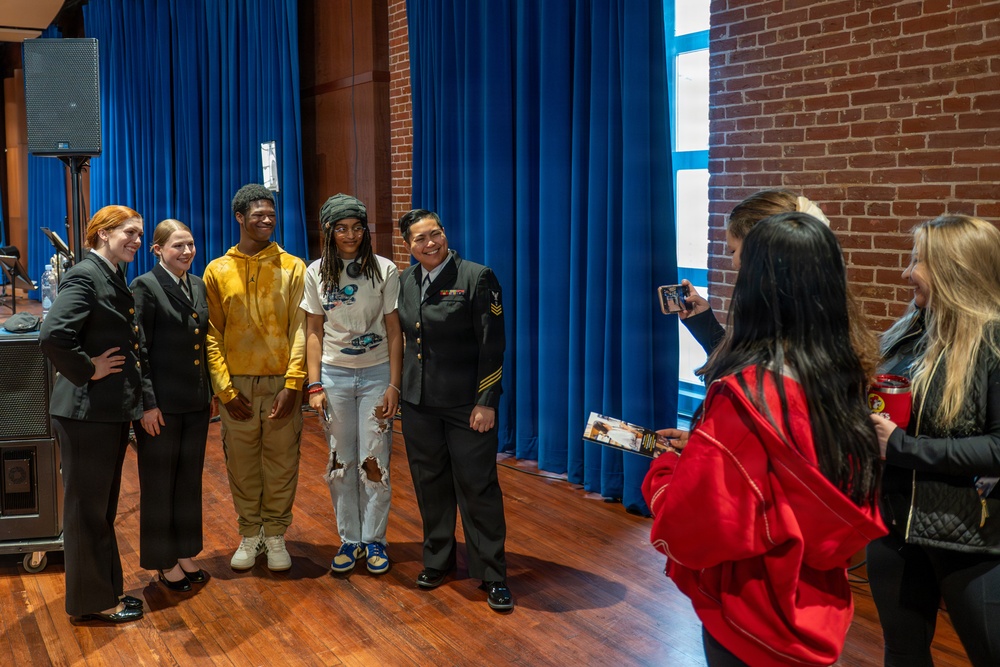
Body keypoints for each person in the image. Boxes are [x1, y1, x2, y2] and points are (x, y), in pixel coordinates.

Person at [642, 212, 886, 666]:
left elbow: (698, 521)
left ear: (758, 283)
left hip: (753, 606)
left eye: (737, 257)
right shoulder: (844, 370)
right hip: (816, 596)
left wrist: (666, 471)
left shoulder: (747, 396)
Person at [867, 214, 1000, 666]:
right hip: (892, 525)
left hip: (968, 537)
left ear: (954, 269)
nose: (907, 273)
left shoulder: (994, 344)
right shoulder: (910, 332)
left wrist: (902, 447)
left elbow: (999, 448)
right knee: (902, 651)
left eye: (918, 261)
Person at [396, 209, 512, 611]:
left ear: (445, 234)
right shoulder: (405, 281)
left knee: (477, 486)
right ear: (408, 246)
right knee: (430, 484)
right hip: (419, 404)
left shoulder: (477, 277)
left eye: (436, 234)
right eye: (420, 239)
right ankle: (438, 560)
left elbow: (492, 345)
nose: (430, 243)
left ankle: (493, 573)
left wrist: (486, 402)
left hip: (466, 405)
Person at [38, 205, 146, 623]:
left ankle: (105, 593)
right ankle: (94, 603)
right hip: (85, 415)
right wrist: (89, 368)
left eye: (138, 234)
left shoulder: (109, 273)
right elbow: (54, 335)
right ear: (102, 233)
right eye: (129, 233)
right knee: (86, 513)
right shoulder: (86, 275)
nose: (136, 241)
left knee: (99, 510)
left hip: (103, 413)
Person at [204, 183, 307, 572]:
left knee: (282, 462)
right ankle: (251, 533)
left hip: (282, 382)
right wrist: (224, 390)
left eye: (271, 214)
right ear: (240, 218)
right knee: (243, 464)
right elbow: (211, 333)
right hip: (237, 386)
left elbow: (301, 328)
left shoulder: (293, 266)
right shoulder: (217, 270)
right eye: (258, 215)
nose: (266, 220)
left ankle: (277, 534)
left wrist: (294, 383)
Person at [301, 194, 402, 575]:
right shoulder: (316, 272)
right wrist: (314, 385)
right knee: (340, 462)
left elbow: (394, 330)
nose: (350, 235)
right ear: (328, 230)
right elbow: (313, 330)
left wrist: (394, 385)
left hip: (376, 375)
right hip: (334, 376)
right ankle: (350, 539)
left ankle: (375, 540)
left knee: (374, 459)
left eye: (357, 227)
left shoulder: (384, 269)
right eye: (342, 228)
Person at [679, 190, 877, 378]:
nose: (734, 262)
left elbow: (739, 378)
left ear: (761, 249)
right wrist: (705, 325)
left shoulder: (773, 352)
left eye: (733, 251)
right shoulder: (830, 321)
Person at [131, 219, 212, 592]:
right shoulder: (145, 287)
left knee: (188, 482)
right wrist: (147, 404)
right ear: (158, 250)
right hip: (159, 407)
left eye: (191, 244)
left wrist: (207, 393)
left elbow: (202, 345)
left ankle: (185, 552)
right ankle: (164, 562)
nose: (187, 252)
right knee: (160, 485)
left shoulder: (196, 285)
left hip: (193, 403)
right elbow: (139, 351)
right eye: (178, 246)